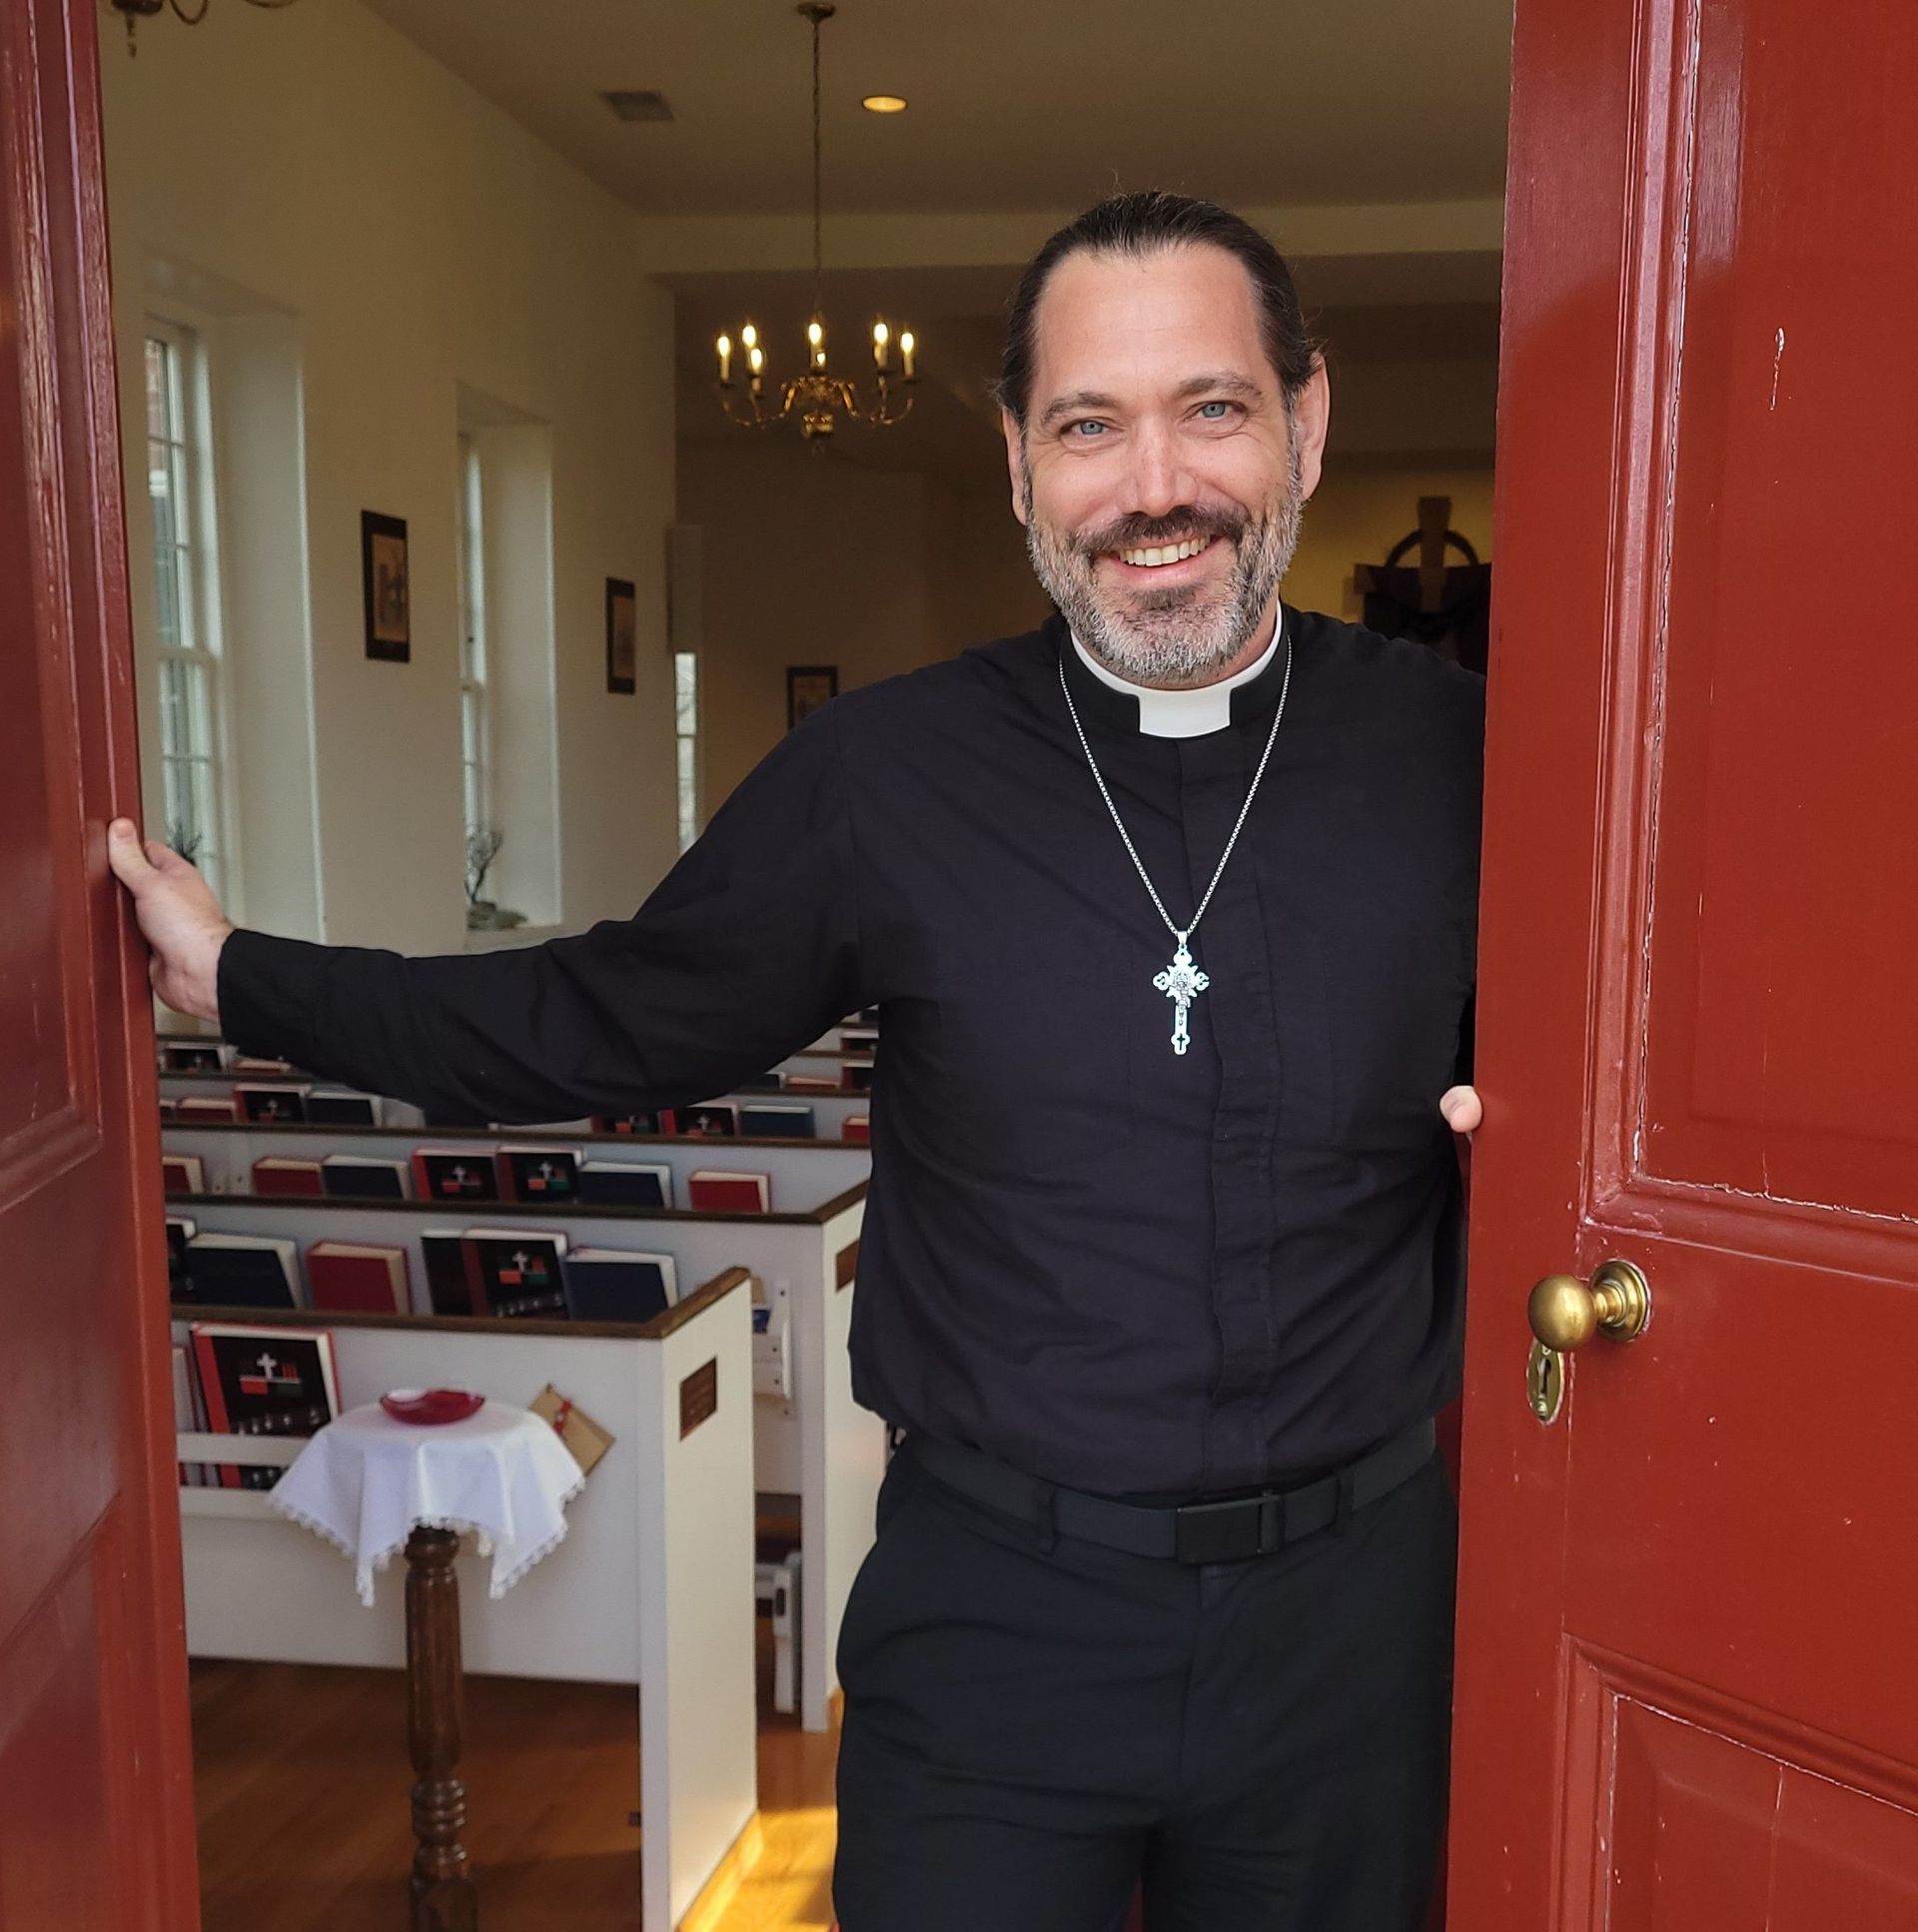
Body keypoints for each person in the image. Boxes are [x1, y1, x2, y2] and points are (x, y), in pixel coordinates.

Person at [112, 191, 1485, 1932]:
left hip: (1348, 1633)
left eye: (1210, 408)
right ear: (1016, 464)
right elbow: (601, 1013)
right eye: (1088, 424)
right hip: (998, 1619)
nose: (1155, 486)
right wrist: (247, 977)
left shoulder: (1456, 756)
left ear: (1306, 420)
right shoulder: (885, 776)